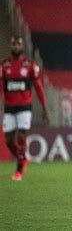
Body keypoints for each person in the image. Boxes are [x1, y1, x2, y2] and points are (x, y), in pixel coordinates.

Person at [1, 36, 49, 181]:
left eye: (18, 44)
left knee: (21, 136)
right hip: (9, 107)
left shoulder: (30, 65)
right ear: (11, 46)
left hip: (24, 107)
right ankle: (23, 158)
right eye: (13, 44)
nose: (16, 47)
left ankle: (19, 169)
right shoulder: (4, 66)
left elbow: (39, 87)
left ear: (22, 47)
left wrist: (44, 107)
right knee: (9, 141)